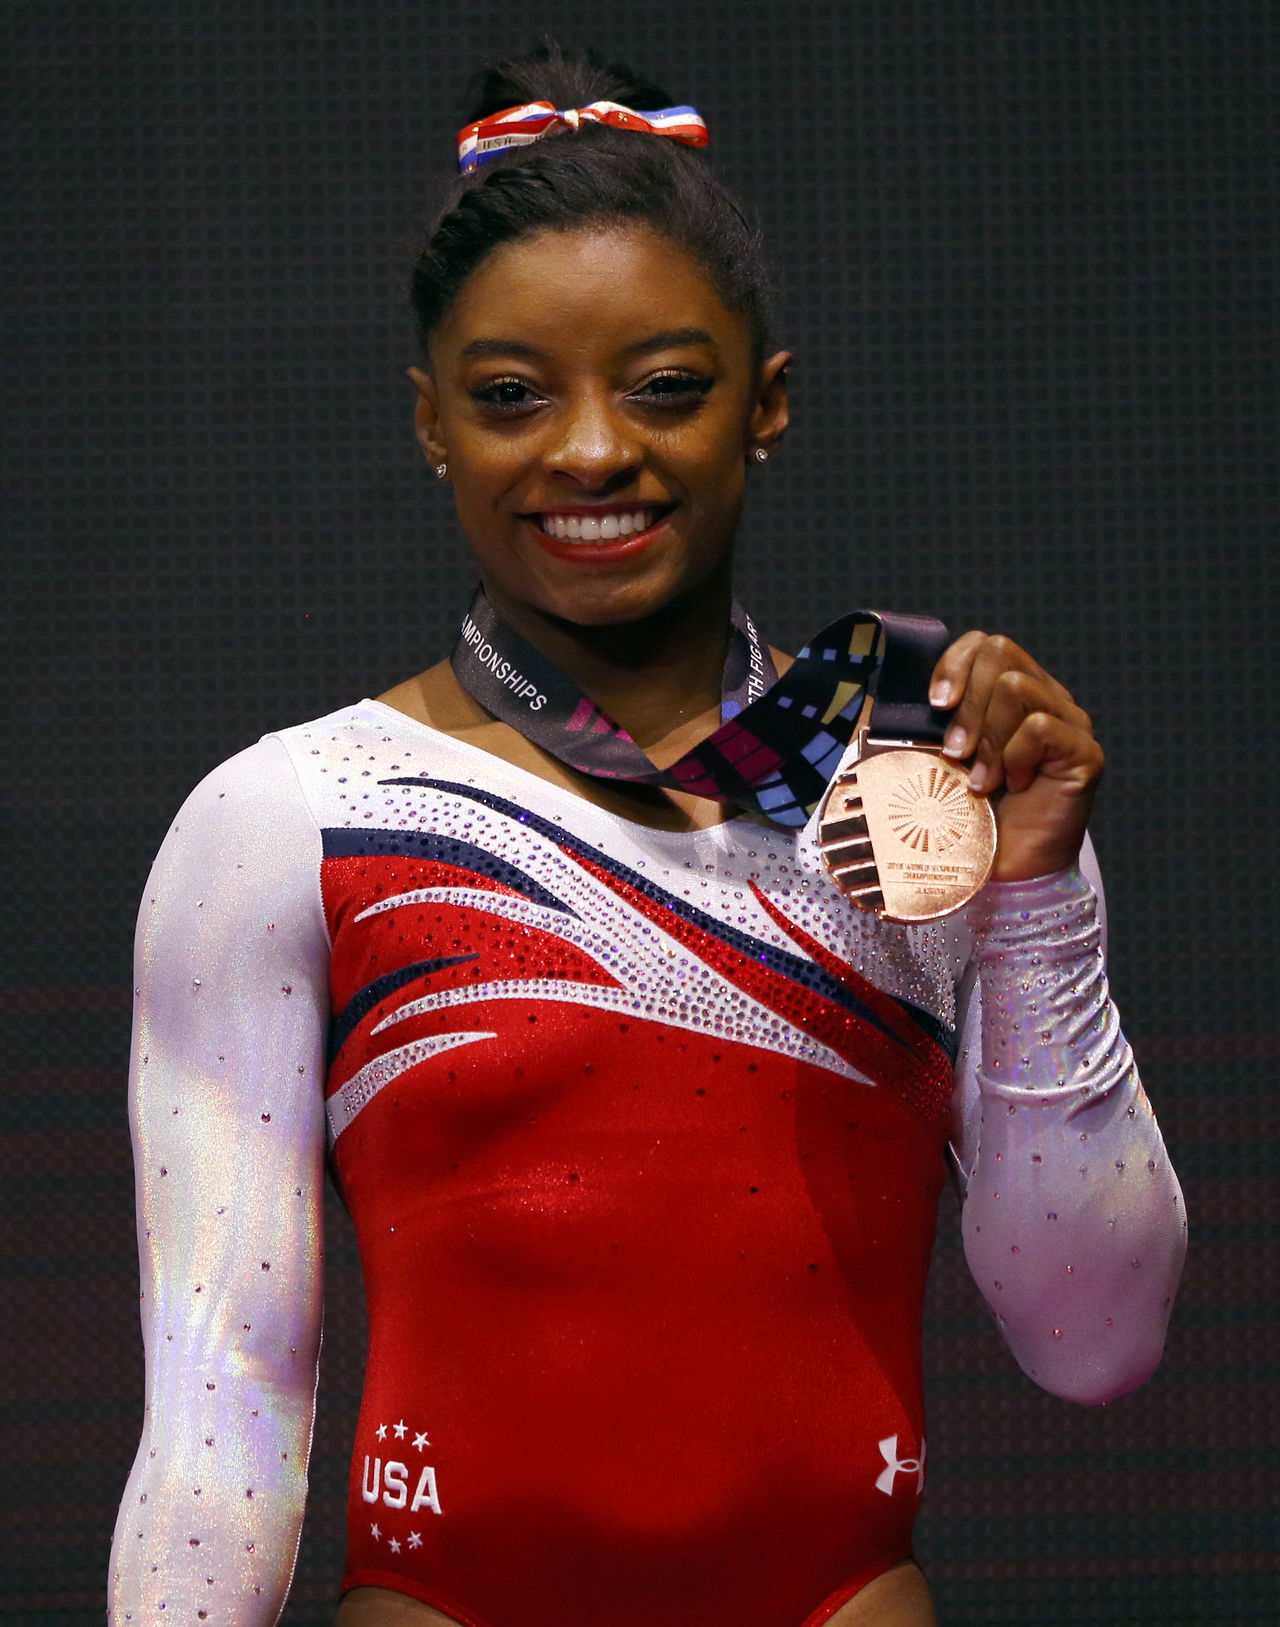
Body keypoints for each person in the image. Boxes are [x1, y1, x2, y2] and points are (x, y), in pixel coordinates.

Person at [108, 41, 1187, 1627]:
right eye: (510, 397)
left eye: (666, 388)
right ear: (430, 423)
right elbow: (225, 1413)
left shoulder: (923, 784)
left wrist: (1040, 899)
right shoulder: (291, 818)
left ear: (769, 403)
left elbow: (1095, 1344)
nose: (594, 451)